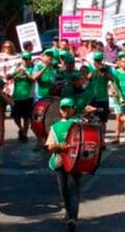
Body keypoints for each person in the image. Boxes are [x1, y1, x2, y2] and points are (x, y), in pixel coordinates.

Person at [46, 97, 82, 232]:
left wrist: (90, 114)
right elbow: (49, 146)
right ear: (60, 110)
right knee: (63, 189)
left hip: (75, 161)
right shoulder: (55, 127)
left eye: (69, 108)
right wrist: (58, 145)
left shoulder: (79, 123)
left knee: (74, 189)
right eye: (63, 108)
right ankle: (68, 211)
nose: (66, 111)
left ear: (74, 109)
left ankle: (73, 217)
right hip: (60, 160)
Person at [11, 53, 36, 142]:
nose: (25, 61)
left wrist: (25, 71)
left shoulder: (33, 68)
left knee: (26, 116)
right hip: (17, 95)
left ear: (30, 60)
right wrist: (16, 71)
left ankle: (25, 133)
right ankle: (20, 129)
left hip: (28, 96)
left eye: (27, 59)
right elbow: (8, 77)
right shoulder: (17, 67)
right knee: (15, 115)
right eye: (24, 59)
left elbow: (33, 79)